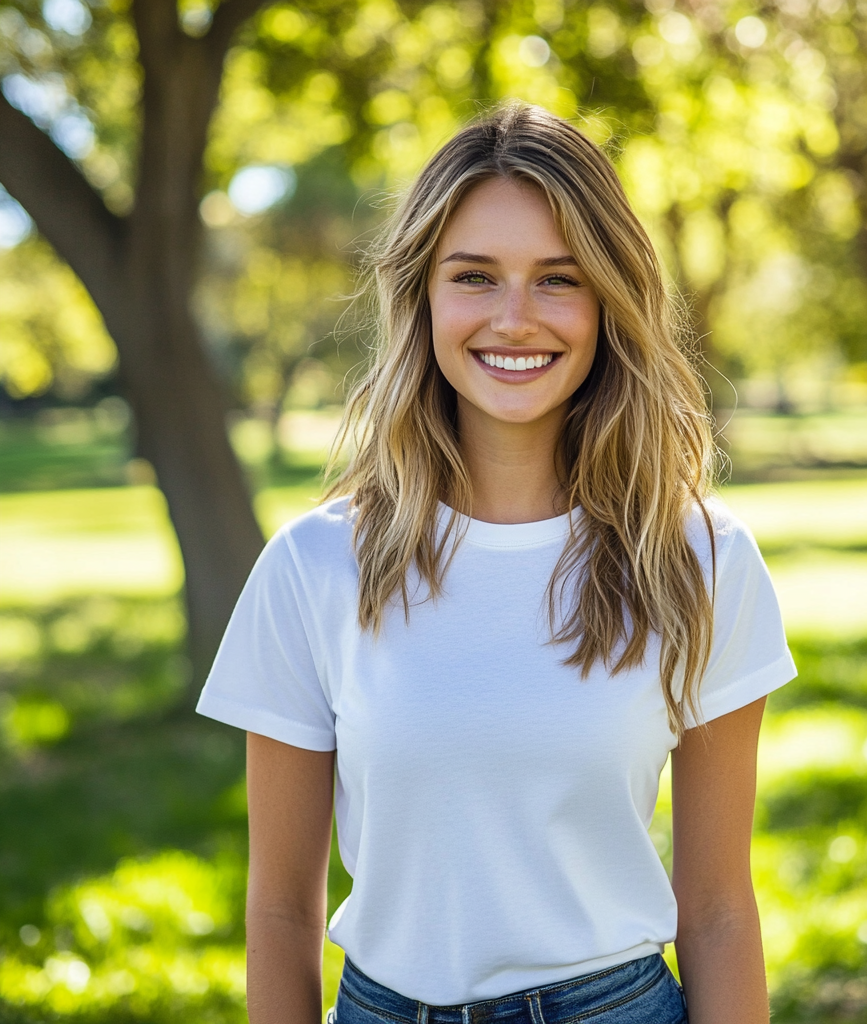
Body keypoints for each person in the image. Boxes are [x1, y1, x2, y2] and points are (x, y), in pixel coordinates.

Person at [196, 103, 796, 1024]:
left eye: (558, 279)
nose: (514, 319)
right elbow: (281, 912)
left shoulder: (699, 560)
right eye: (475, 276)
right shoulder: (313, 567)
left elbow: (716, 911)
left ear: (608, 301)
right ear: (424, 295)